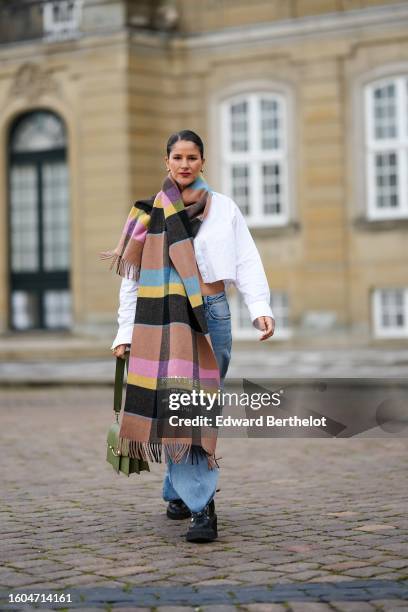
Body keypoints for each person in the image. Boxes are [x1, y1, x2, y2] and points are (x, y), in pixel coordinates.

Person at [105, 130, 275, 543]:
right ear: (166, 162)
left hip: (213, 316)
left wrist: (260, 308)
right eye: (177, 157)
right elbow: (131, 281)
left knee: (196, 407)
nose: (184, 164)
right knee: (189, 408)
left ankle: (177, 490)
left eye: (192, 157)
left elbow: (247, 258)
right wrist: (124, 332)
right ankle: (203, 507)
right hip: (161, 321)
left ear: (203, 162)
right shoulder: (146, 215)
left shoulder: (224, 209)